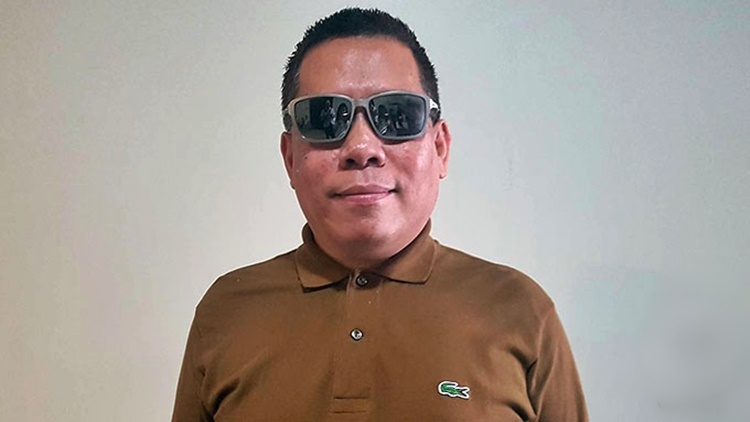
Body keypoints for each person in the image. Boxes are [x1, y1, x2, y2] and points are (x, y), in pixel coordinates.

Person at [172, 7, 588, 421]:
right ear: (290, 158)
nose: (362, 148)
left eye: (396, 115)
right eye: (324, 118)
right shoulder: (226, 310)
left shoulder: (520, 311)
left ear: (440, 148)